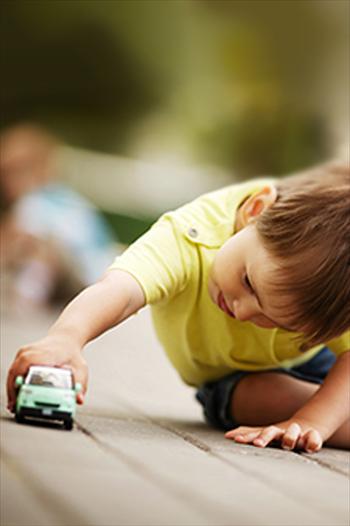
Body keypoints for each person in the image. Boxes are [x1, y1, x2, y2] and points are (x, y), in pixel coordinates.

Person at [6, 161, 350, 453]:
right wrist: (67, 338)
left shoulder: (331, 294)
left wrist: (312, 422)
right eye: (248, 283)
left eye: (279, 322)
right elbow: (121, 289)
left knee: (319, 410)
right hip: (240, 379)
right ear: (254, 211)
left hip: (326, 365)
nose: (244, 313)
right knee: (260, 396)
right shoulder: (191, 234)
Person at [0, 124, 117, 309]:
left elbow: (20, 241)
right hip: (104, 275)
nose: (6, 183)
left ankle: (29, 294)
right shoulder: (68, 198)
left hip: (82, 274)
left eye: (13, 173)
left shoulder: (32, 203)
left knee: (39, 246)